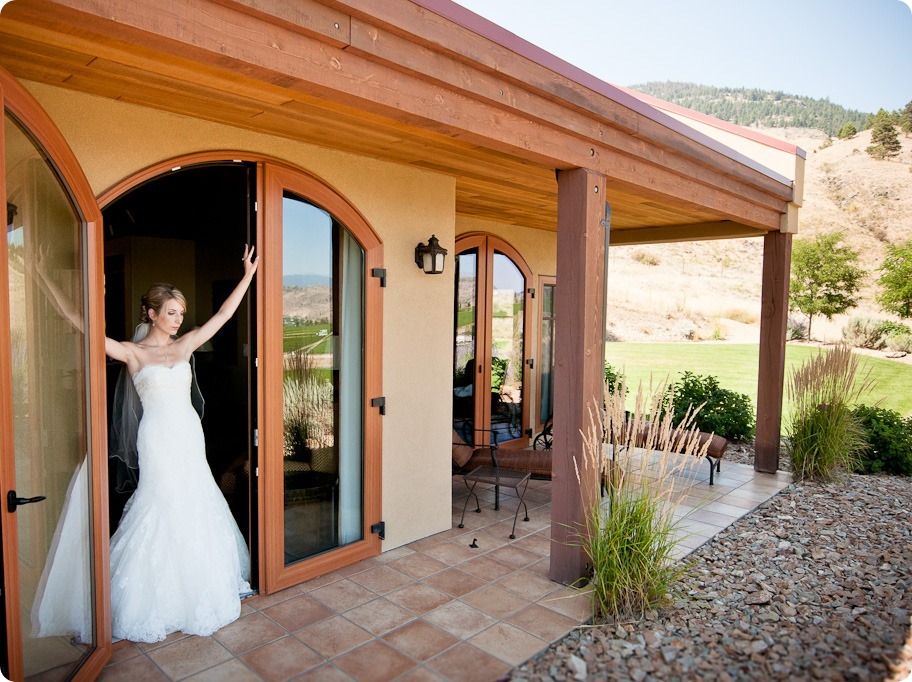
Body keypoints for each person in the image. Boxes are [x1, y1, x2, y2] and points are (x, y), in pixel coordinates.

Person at [104, 245, 258, 643]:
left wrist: (247, 276)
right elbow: (90, 334)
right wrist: (75, 291)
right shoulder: (133, 353)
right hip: (156, 438)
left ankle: (198, 586)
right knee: (162, 502)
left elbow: (224, 316)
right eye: (171, 313)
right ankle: (154, 596)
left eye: (181, 314)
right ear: (151, 313)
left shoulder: (185, 344)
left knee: (196, 499)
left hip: (189, 434)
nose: (177, 320)